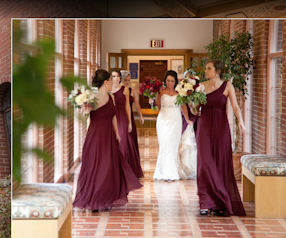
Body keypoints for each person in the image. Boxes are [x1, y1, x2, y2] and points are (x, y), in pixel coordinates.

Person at [72, 69, 142, 212]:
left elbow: (113, 116)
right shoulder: (91, 97)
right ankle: (94, 200)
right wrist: (84, 107)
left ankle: (105, 198)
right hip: (96, 136)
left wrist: (117, 134)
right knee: (96, 166)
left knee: (108, 166)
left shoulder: (112, 97)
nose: (112, 82)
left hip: (109, 135)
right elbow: (84, 115)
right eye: (110, 79)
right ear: (105, 82)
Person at [195, 60, 247, 217]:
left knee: (220, 162)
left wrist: (241, 122)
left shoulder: (228, 86)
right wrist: (193, 107)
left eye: (209, 68)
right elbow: (196, 108)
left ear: (217, 71)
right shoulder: (200, 86)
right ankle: (205, 202)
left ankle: (219, 203)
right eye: (206, 68)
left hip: (221, 129)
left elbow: (235, 106)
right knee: (204, 163)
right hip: (204, 127)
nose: (205, 71)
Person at [154, 70, 196, 181]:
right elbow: (157, 107)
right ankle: (163, 171)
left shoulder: (180, 93)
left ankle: (172, 171)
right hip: (163, 120)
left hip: (176, 120)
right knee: (164, 144)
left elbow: (183, 107)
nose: (170, 83)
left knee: (173, 145)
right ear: (165, 81)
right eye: (168, 80)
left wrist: (187, 119)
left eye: (172, 81)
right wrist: (152, 100)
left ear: (175, 81)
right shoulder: (160, 93)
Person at [119, 70, 145, 179]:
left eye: (129, 80)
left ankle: (132, 167)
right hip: (120, 118)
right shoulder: (116, 90)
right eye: (125, 80)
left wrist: (141, 115)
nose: (127, 82)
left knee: (132, 142)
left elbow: (136, 104)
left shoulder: (132, 90)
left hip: (129, 119)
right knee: (123, 143)